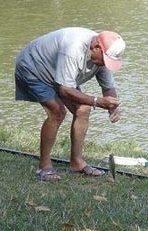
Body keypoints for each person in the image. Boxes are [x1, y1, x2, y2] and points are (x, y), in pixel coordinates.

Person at [14, 27, 125, 181]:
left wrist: (113, 107)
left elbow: (108, 87)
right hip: (34, 67)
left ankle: (77, 163)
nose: (105, 65)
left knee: (84, 109)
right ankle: (44, 167)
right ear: (96, 47)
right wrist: (97, 101)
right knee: (57, 111)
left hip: (58, 73)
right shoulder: (73, 48)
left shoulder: (101, 57)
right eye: (106, 60)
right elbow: (64, 90)